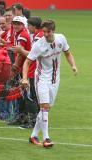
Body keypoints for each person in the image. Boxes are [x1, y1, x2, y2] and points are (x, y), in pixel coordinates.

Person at [21, 20, 78, 148]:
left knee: (45, 109)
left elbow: (68, 53)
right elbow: (27, 62)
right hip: (41, 79)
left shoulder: (61, 39)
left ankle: (33, 136)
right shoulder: (38, 45)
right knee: (44, 107)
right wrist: (24, 78)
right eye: (44, 32)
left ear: (53, 31)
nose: (45, 34)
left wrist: (73, 65)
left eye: (48, 32)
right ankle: (46, 138)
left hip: (55, 80)